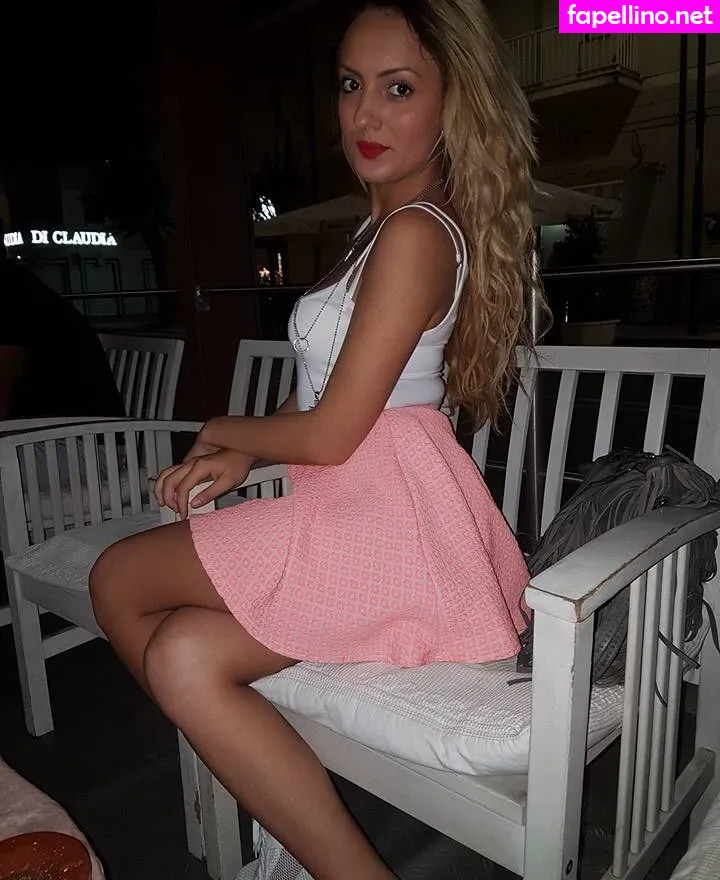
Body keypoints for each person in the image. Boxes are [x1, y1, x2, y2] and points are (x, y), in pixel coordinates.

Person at [89, 1, 543, 877]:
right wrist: (249, 452)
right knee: (183, 656)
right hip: (360, 508)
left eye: (398, 89)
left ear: (451, 104)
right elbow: (333, 403)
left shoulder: (415, 233)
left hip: (381, 523)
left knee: (118, 578)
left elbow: (335, 433)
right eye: (350, 85)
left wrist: (221, 428)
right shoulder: (384, 229)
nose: (365, 114)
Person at [0, 244, 125, 419]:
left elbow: (3, 390)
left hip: (76, 431)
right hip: (56, 425)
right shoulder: (17, 282)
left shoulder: (11, 291)